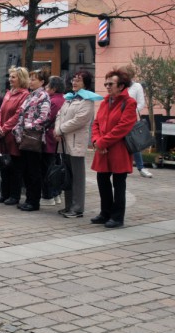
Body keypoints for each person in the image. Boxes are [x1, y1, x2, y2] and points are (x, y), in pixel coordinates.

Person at [90, 68, 138, 229]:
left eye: (111, 84)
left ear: (121, 86)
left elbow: (122, 127)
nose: (107, 86)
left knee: (119, 184)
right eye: (106, 83)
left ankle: (117, 217)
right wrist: (96, 140)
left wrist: (102, 143)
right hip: (102, 149)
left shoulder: (129, 103)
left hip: (118, 149)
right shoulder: (105, 101)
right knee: (102, 181)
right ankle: (105, 213)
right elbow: (96, 123)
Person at [54, 71, 102, 218]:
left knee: (78, 178)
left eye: (78, 80)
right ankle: (69, 206)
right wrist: (57, 129)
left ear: (85, 83)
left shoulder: (87, 100)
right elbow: (59, 115)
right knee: (68, 176)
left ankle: (78, 208)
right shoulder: (69, 98)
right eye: (74, 80)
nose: (74, 83)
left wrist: (60, 129)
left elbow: (80, 120)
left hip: (76, 143)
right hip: (64, 142)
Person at [12, 69, 51, 212]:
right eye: (30, 78)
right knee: (27, 171)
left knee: (34, 171)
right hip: (24, 137)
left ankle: (34, 202)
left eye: (34, 79)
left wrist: (29, 126)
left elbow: (45, 117)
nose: (30, 81)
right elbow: (22, 114)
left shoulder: (43, 96)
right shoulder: (30, 95)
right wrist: (17, 128)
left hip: (33, 138)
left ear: (42, 82)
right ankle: (28, 199)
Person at [0, 67, 30, 205]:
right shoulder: (9, 93)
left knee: (15, 167)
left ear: (21, 78)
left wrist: (5, 128)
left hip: (13, 136)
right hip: (2, 135)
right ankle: (4, 194)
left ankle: (14, 196)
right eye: (10, 76)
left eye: (13, 77)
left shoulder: (24, 95)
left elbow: (18, 114)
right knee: (4, 165)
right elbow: (0, 112)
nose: (10, 79)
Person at [123, 64, 154, 178]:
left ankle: (141, 168)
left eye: (125, 75)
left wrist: (131, 112)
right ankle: (123, 167)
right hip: (119, 119)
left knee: (134, 143)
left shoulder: (137, 86)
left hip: (131, 119)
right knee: (121, 144)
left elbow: (141, 104)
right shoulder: (120, 86)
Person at [41, 76, 66, 206]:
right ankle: (56, 194)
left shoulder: (54, 101)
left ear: (54, 88)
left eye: (48, 86)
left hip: (50, 137)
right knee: (55, 165)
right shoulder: (63, 99)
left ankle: (49, 195)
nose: (45, 88)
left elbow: (47, 118)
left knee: (48, 167)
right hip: (56, 138)